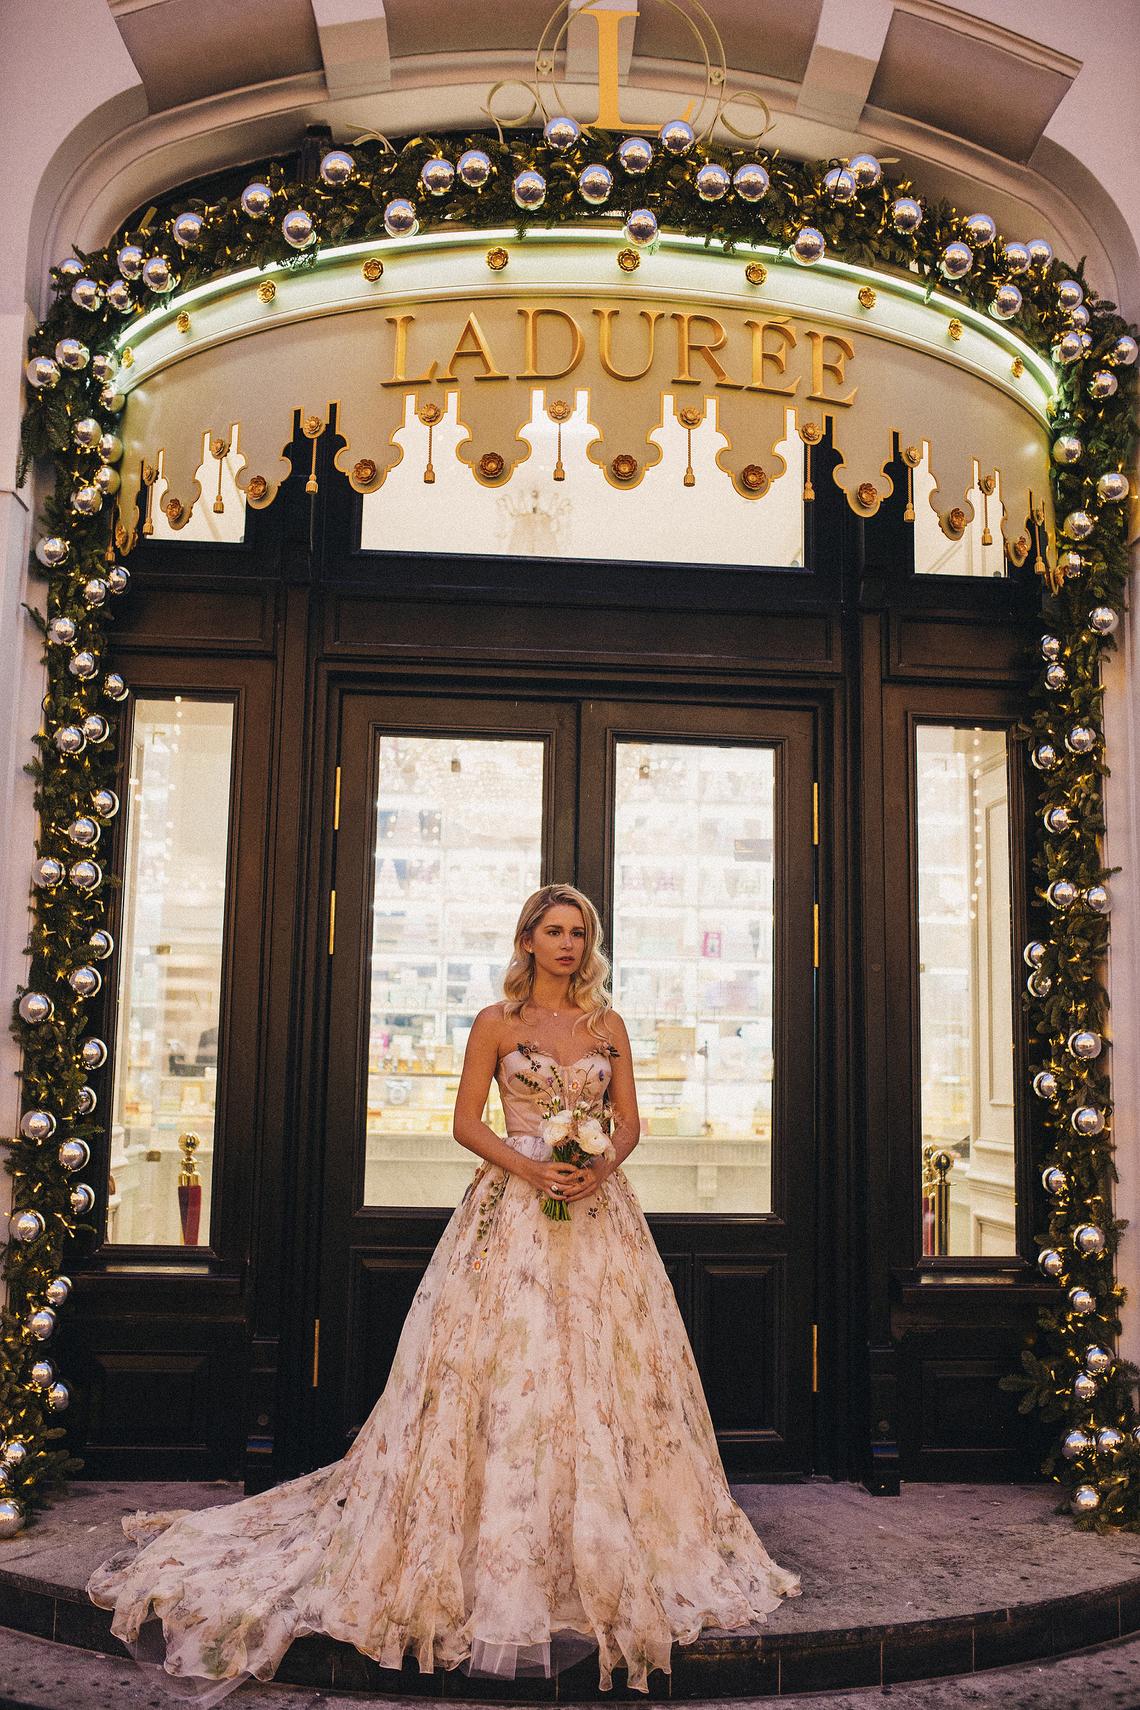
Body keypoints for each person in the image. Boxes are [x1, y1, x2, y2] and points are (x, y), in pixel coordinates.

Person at [86, 882, 800, 1701]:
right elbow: (465, 1121)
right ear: (528, 939)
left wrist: (598, 1166)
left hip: (600, 1215)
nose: (568, 945)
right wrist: (533, 1166)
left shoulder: (608, 1025)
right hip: (510, 1209)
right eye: (554, 931)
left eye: (580, 933)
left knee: (609, 1374)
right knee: (501, 1370)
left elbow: (631, 1120)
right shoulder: (497, 1024)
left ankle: (603, 1542)